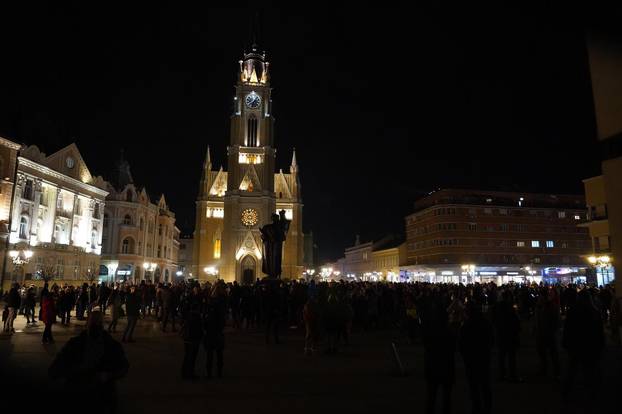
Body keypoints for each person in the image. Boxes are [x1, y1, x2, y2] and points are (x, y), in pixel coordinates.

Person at [48, 310, 129, 413]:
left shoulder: (111, 345)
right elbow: (55, 369)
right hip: (81, 393)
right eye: (93, 322)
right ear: (87, 324)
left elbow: (123, 366)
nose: (96, 325)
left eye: (98, 322)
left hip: (100, 396)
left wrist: (108, 375)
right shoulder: (75, 344)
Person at [459, 301, 493, 414]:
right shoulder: (485, 323)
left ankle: (476, 407)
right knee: (485, 385)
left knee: (474, 386)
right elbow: (491, 339)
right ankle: (487, 407)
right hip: (483, 358)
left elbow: (461, 344)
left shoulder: (466, 325)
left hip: (471, 360)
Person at [203, 281, 227, 378]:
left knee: (210, 353)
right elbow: (223, 319)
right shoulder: (223, 302)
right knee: (219, 353)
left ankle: (209, 373)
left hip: (210, 331)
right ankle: (219, 372)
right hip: (218, 331)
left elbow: (206, 317)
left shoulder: (210, 303)